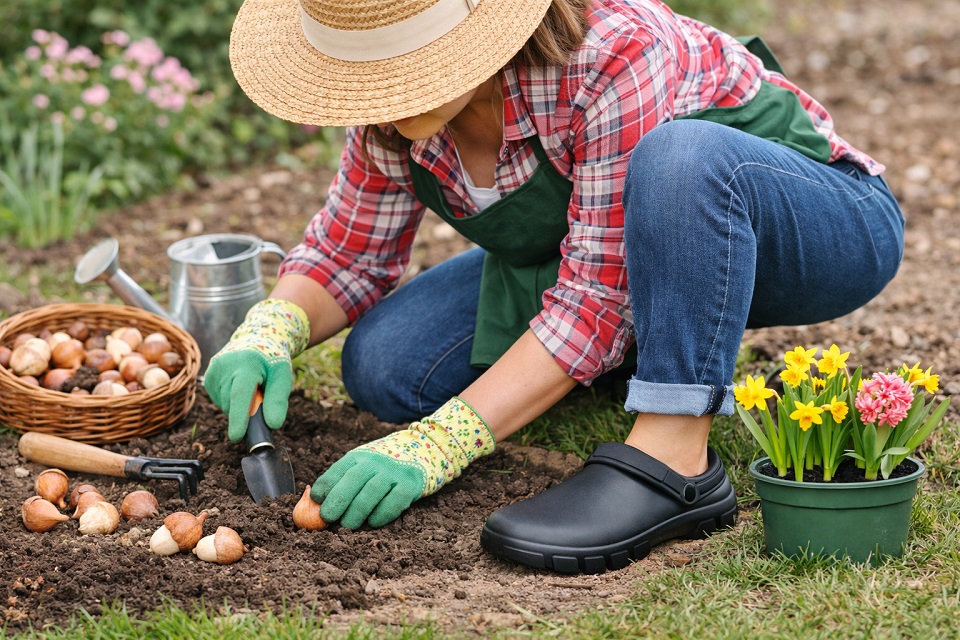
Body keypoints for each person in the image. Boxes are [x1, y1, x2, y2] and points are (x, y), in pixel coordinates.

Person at [208, 0, 904, 574]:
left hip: (818, 225)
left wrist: (440, 443)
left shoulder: (611, 53)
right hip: (601, 253)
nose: (380, 100)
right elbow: (346, 251)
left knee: (680, 156)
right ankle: (639, 356)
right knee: (388, 363)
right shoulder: (393, 121)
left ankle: (674, 451)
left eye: (400, 71)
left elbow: (595, 302)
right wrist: (272, 327)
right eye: (365, 78)